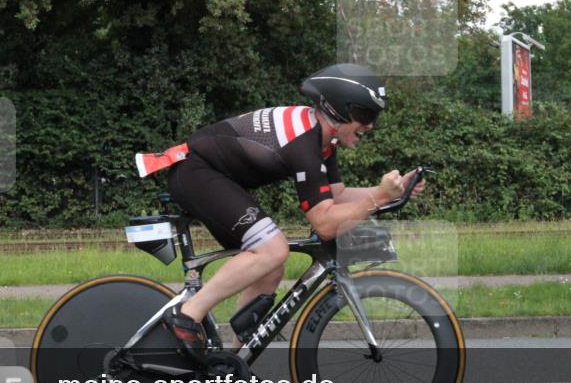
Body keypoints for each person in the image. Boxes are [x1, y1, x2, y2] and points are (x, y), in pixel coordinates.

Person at [159, 63, 425, 360]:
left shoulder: (324, 140)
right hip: (196, 172)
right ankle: (185, 317)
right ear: (337, 110)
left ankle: (233, 363)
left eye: (374, 117)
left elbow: (338, 198)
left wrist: (391, 193)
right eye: (364, 115)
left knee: (270, 267)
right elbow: (324, 223)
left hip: (212, 176)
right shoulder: (304, 142)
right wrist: (378, 196)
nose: (370, 125)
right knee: (272, 249)